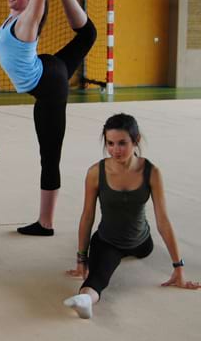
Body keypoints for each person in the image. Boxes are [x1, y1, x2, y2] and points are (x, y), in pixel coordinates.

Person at [0, 0, 97, 236]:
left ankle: (46, 223)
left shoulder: (28, 20)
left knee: (49, 157)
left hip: (50, 86)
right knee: (87, 35)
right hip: (47, 70)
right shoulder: (13, 17)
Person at [63, 113, 199, 319]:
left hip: (141, 242)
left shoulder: (151, 172)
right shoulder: (95, 172)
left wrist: (178, 268)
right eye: (110, 143)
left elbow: (163, 221)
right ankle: (84, 300)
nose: (115, 150)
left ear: (136, 141)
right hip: (108, 241)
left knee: (142, 249)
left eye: (122, 143)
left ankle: (92, 288)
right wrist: (81, 258)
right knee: (98, 276)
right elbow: (87, 216)